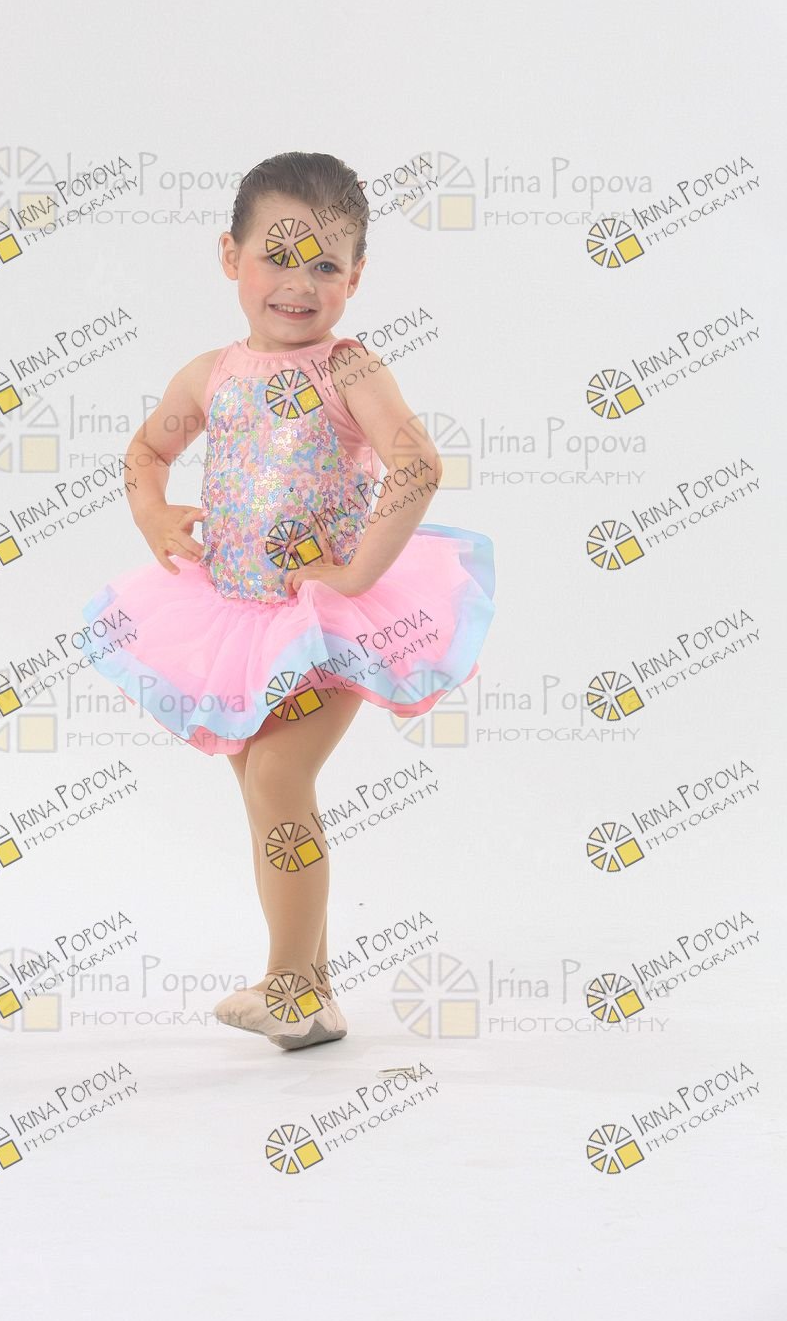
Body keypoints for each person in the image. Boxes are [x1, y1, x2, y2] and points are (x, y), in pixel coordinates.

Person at [79, 150, 495, 1051]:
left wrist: (355, 577)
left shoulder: (348, 371)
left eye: (325, 265)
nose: (300, 284)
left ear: (356, 277)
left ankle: (291, 986)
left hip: (323, 627)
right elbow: (146, 453)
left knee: (277, 780)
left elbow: (417, 463)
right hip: (234, 619)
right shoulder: (211, 374)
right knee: (268, 797)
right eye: (277, 256)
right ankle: (314, 993)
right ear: (230, 256)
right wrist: (154, 517)